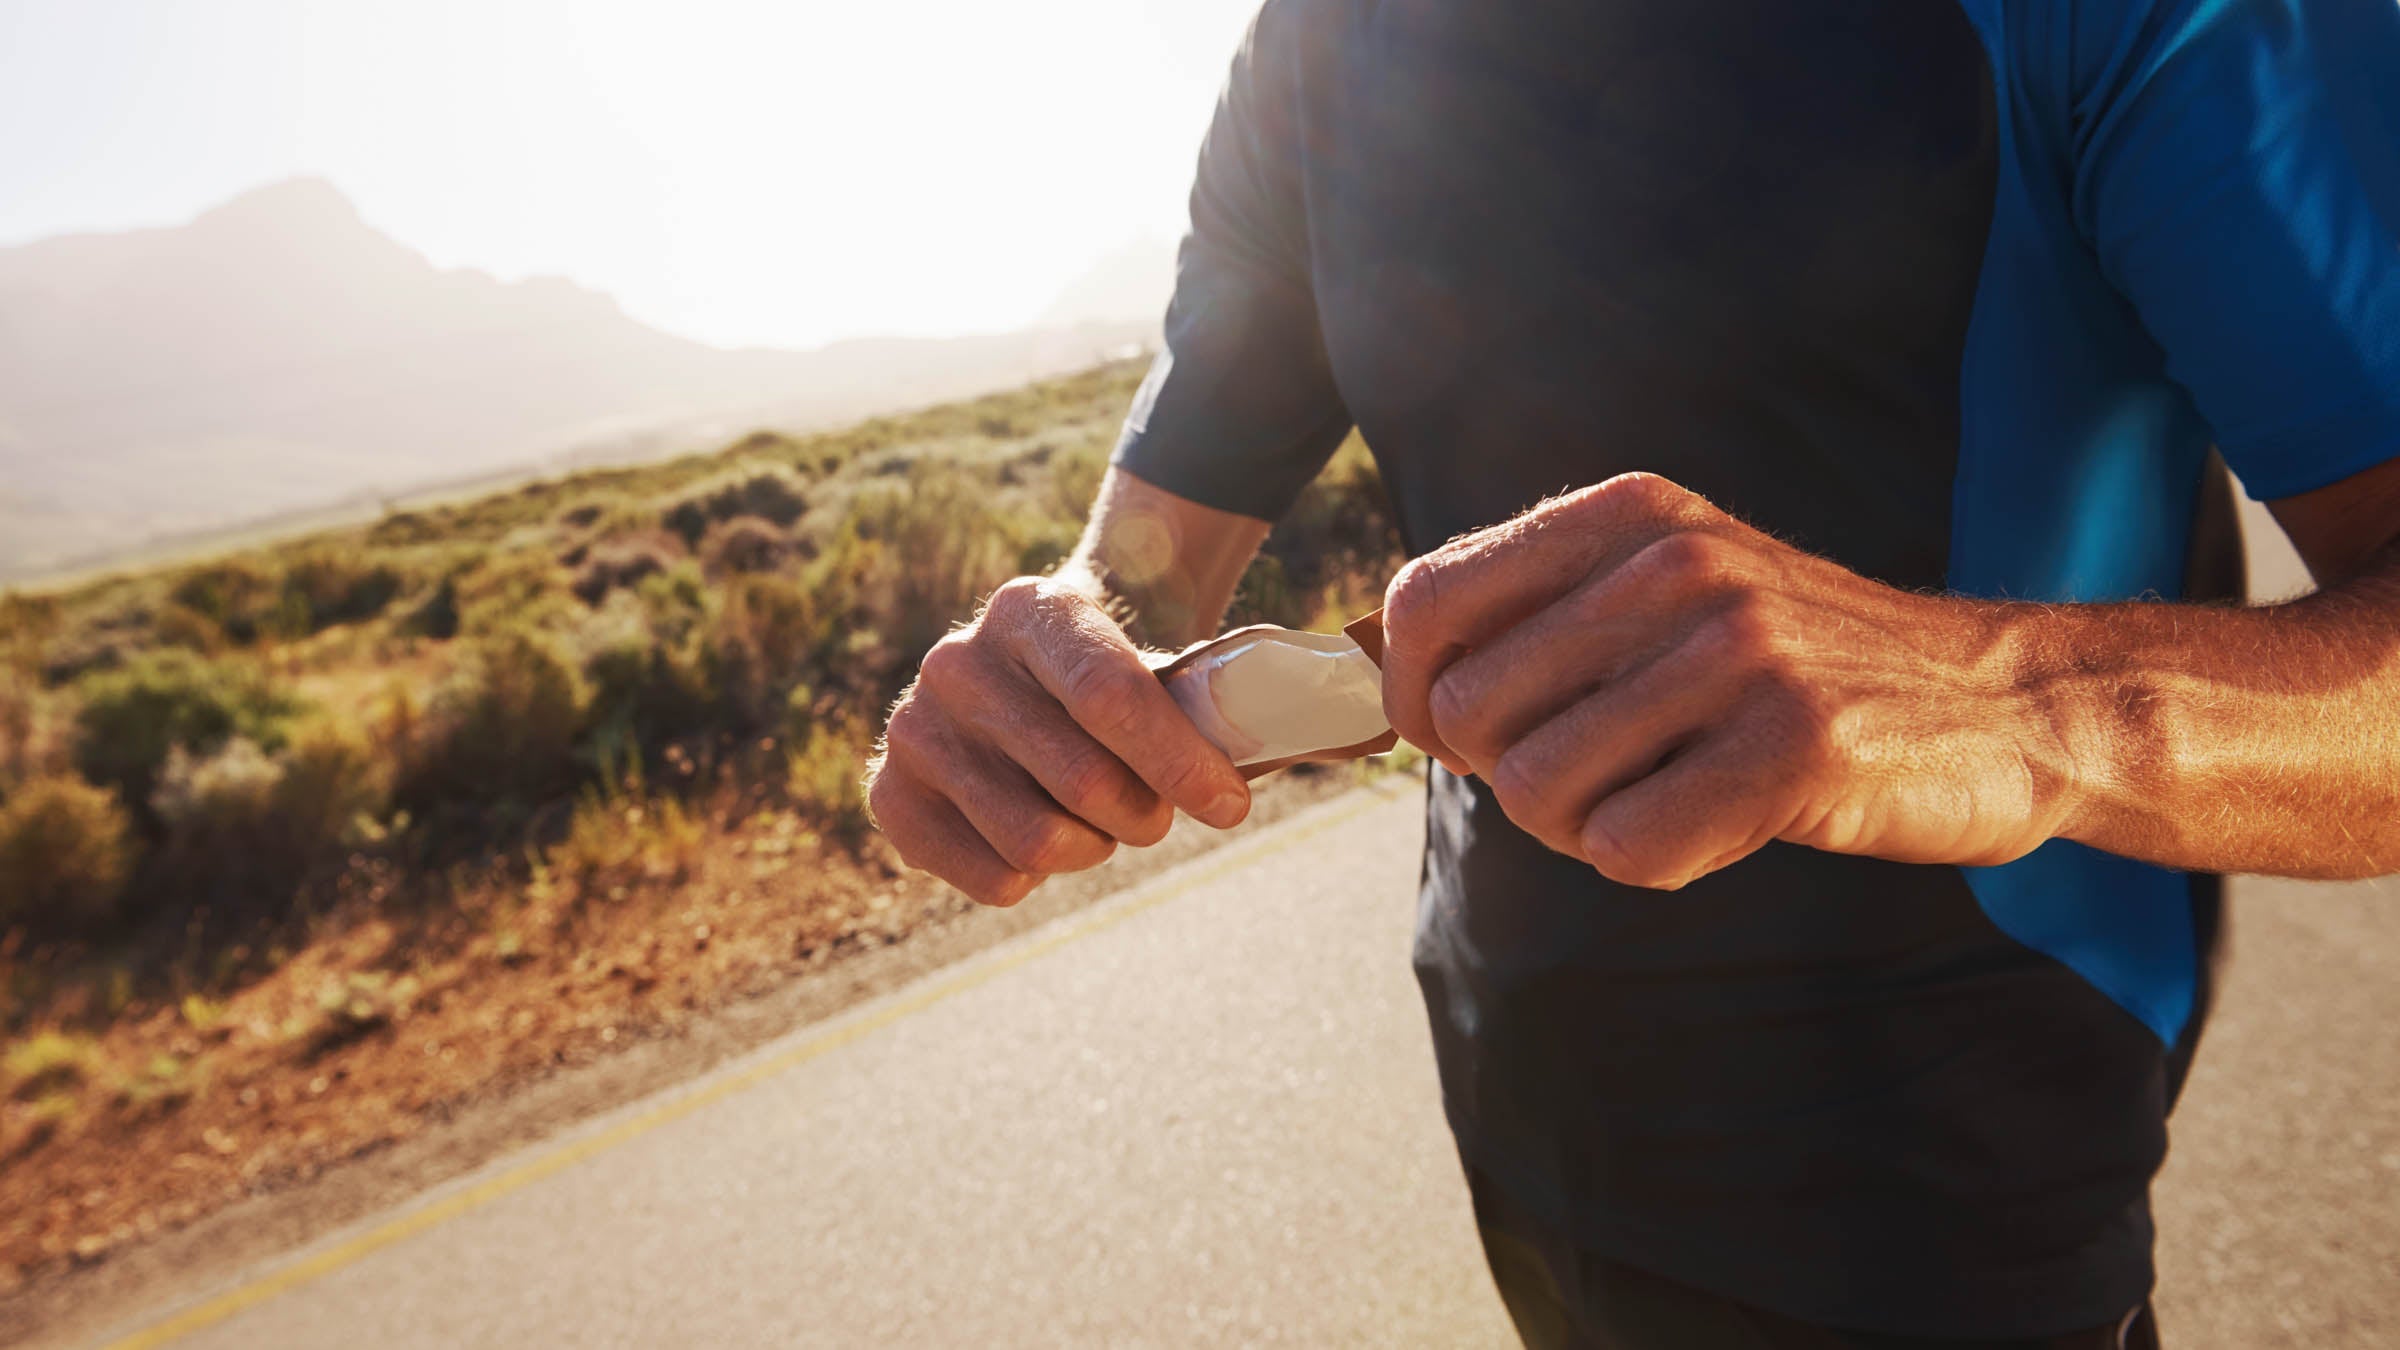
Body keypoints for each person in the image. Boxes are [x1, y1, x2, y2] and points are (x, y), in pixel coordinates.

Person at [865, 1, 2400, 1344]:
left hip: (1942, 1204)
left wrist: (2013, 703)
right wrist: (1060, 660)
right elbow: (1143, 563)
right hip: (1524, 1137)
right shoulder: (1315, 48)